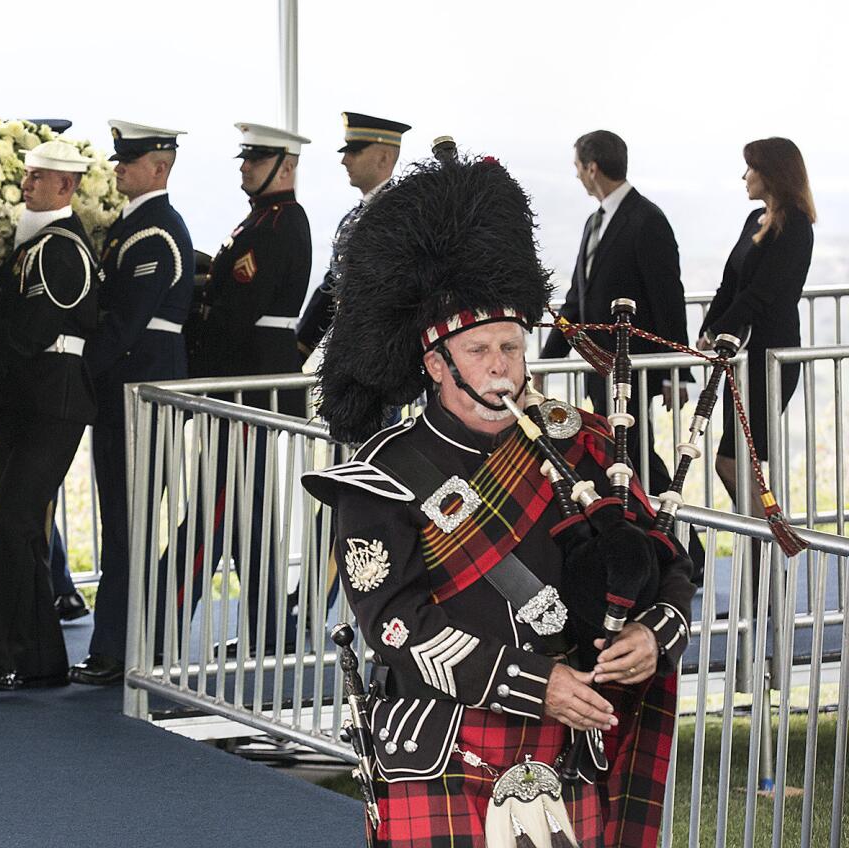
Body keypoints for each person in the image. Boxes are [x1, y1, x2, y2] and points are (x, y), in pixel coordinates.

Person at [306, 154, 693, 848]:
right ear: (435, 364)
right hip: (447, 746)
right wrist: (534, 682)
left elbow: (670, 564)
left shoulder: (585, 447)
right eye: (478, 348)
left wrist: (653, 637)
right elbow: (394, 624)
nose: (499, 366)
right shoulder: (382, 474)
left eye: (511, 347)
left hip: (570, 742)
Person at [170, 122, 313, 657]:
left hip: (247, 384)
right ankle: (270, 629)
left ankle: (165, 620)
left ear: (287, 166)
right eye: (246, 158)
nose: (245, 166)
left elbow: (236, 312)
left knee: (217, 507)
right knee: (247, 514)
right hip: (242, 380)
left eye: (257, 159)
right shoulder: (260, 220)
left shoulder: (279, 224)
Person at [0, 140, 98, 691]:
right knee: (17, 525)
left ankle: (13, 652)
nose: (27, 185)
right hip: (29, 397)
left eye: (39, 178)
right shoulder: (36, 243)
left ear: (65, 187)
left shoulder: (60, 247)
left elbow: (36, 327)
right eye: (27, 176)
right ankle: (35, 658)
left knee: (16, 521)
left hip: (53, 397)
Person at [70, 120, 193, 686]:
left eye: (130, 159)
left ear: (160, 168)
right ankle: (124, 644)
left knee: (131, 523)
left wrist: (76, 370)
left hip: (140, 391)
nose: (118, 166)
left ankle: (121, 648)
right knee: (123, 520)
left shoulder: (154, 233)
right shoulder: (135, 227)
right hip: (127, 392)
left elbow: (123, 325)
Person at [539, 131, 693, 492]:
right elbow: (577, 302)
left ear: (592, 168)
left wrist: (677, 373)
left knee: (636, 460)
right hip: (600, 369)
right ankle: (658, 536)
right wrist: (547, 363)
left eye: (578, 166)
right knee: (623, 460)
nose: (576, 174)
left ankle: (677, 541)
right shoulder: (594, 223)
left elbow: (668, 299)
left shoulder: (647, 219)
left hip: (632, 368)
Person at [698, 137, 815, 504]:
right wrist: (708, 328)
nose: (744, 176)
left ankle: (767, 553)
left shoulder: (794, 225)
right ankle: (762, 556)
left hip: (769, 360)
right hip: (744, 359)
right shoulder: (755, 219)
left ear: (771, 173)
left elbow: (760, 294)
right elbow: (731, 283)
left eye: (751, 168)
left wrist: (720, 331)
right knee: (734, 462)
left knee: (735, 462)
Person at [296, 112, 410, 358]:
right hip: (356, 351)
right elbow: (334, 285)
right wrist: (301, 345)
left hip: (386, 354)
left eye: (354, 152)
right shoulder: (357, 216)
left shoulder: (402, 217)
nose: (344, 161)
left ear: (384, 158)